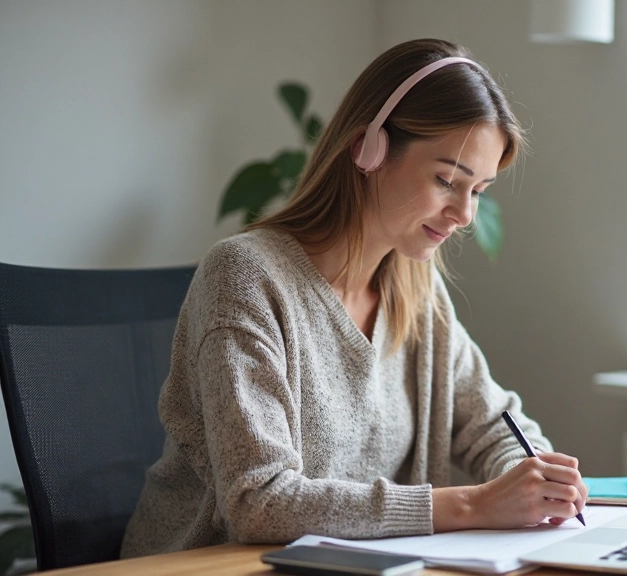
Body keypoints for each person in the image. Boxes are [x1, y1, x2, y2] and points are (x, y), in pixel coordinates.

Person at [120, 38, 588, 558]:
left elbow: (493, 427)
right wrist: (474, 506)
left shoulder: (417, 291)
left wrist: (537, 482)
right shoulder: (246, 276)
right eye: (447, 181)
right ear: (370, 150)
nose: (465, 216)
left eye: (477, 191)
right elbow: (260, 501)